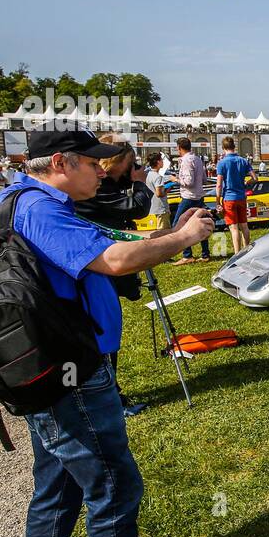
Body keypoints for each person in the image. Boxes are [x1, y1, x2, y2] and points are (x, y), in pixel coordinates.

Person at [0, 124, 214, 537]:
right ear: (61, 163)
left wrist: (168, 232)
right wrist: (187, 239)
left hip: (52, 368)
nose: (101, 169)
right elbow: (113, 259)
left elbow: (107, 238)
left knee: (58, 486)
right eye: (91, 161)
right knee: (112, 483)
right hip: (73, 372)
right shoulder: (39, 208)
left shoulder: (25, 201)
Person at [75, 138, 155, 418]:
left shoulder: (103, 186)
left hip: (101, 266)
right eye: (129, 164)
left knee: (105, 334)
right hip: (101, 269)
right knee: (103, 333)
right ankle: (108, 397)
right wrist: (140, 183)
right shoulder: (99, 188)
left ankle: (109, 394)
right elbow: (136, 208)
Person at [172, 137, 210, 264]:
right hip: (199, 196)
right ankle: (205, 254)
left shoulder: (187, 161)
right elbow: (204, 179)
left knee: (179, 224)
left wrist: (176, 180)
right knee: (202, 224)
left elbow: (188, 182)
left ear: (179, 148)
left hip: (189, 197)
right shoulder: (198, 159)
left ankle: (187, 255)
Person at [215, 137, 256, 254]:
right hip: (241, 197)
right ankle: (247, 251)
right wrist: (247, 183)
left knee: (234, 228)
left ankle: (237, 255)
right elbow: (255, 178)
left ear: (223, 148)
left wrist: (217, 202)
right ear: (234, 147)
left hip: (229, 198)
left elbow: (219, 185)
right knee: (244, 226)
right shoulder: (243, 161)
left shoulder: (222, 163)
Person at [144, 152, 173, 229]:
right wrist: (168, 188)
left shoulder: (149, 174)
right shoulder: (158, 177)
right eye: (161, 160)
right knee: (163, 233)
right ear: (158, 162)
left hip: (153, 208)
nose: (163, 162)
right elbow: (159, 193)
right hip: (161, 209)